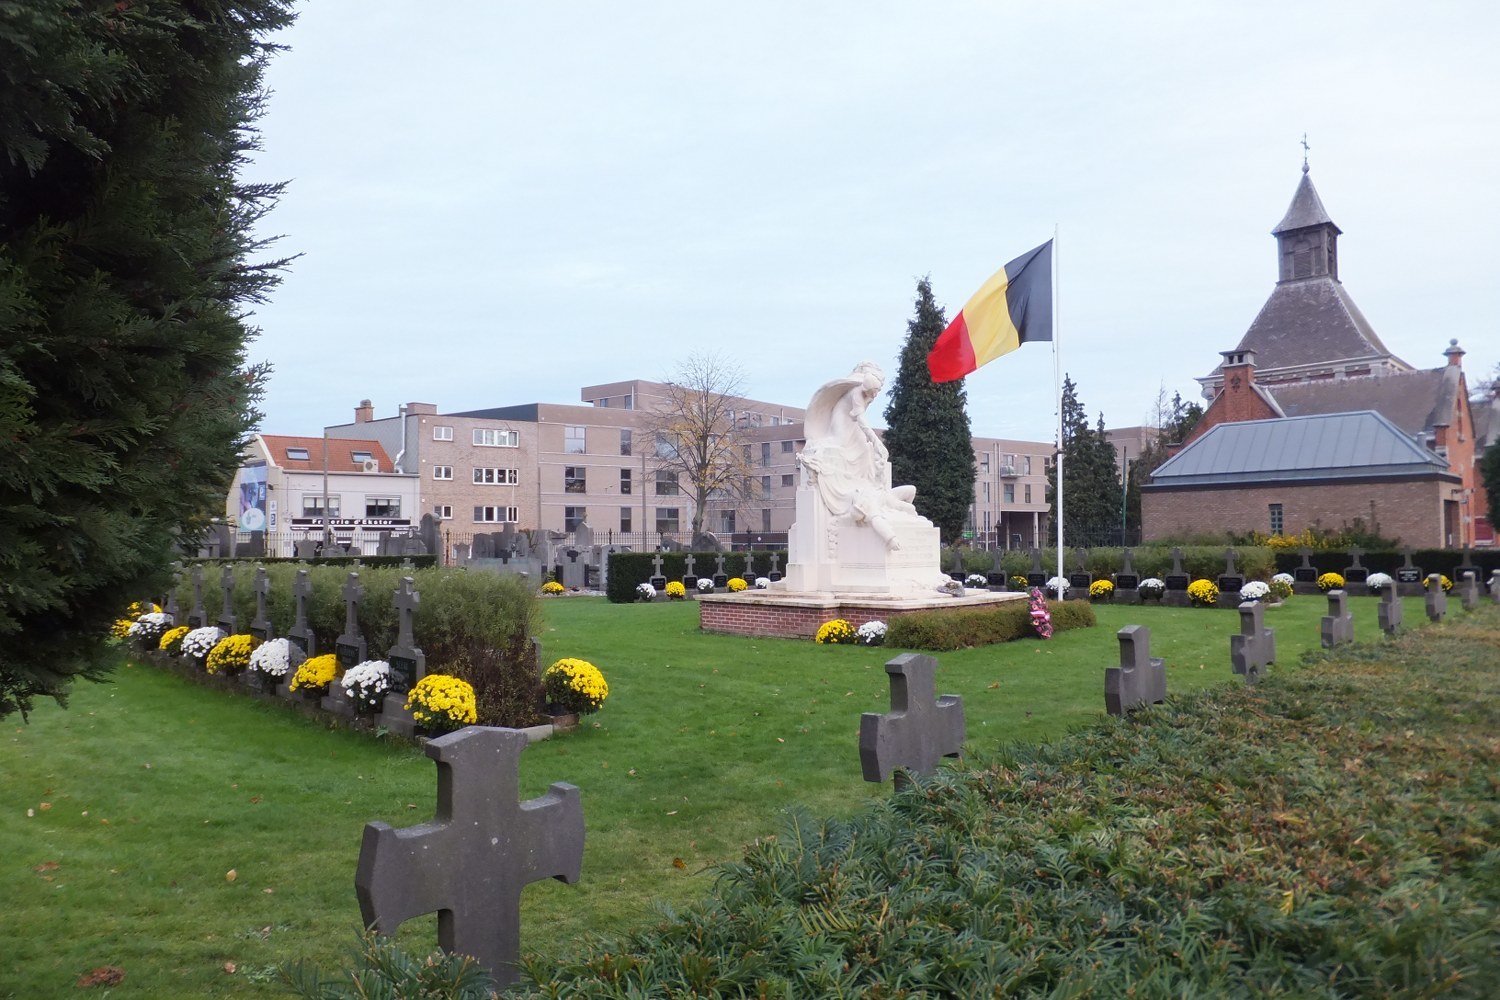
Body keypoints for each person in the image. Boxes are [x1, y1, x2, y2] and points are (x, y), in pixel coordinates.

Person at [798, 362, 920, 551]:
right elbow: (861, 419)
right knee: (847, 445)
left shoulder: (867, 393)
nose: (876, 394)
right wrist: (876, 440)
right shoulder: (857, 393)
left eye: (878, 390)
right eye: (875, 390)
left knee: (866, 450)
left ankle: (868, 481)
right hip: (845, 421)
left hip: (855, 428)